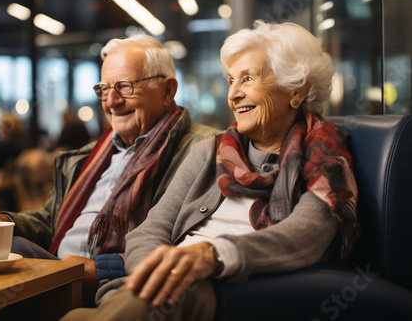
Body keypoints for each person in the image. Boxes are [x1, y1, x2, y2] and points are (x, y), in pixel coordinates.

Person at [61, 20, 359, 321]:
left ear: (296, 90)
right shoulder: (210, 150)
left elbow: (306, 236)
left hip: (234, 289)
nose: (234, 95)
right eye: (231, 81)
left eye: (248, 79)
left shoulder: (326, 157)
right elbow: (149, 232)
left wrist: (212, 255)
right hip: (169, 285)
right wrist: (159, 274)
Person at [0, 34, 220, 304]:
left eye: (125, 86)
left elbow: (191, 247)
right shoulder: (89, 156)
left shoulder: (204, 151)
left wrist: (103, 269)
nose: (111, 101)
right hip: (56, 271)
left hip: (113, 286)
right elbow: (50, 222)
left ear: (168, 90)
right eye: (103, 88)